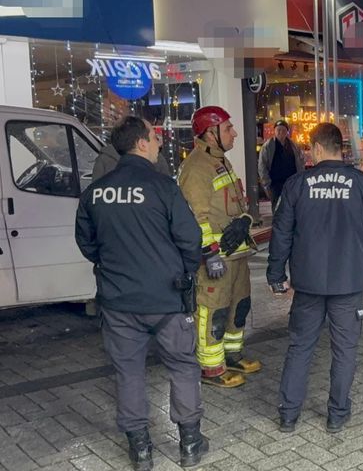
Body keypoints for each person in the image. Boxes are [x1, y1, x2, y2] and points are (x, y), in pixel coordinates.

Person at [74, 116, 209, 470]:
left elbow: (87, 245)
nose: (160, 142)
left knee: (128, 372)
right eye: (155, 136)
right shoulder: (163, 186)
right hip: (167, 298)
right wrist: (182, 269)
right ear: (141, 143)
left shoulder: (94, 192)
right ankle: (190, 444)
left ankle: (141, 451)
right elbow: (191, 240)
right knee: (182, 366)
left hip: (118, 302)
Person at [266, 122, 363, 434]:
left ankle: (288, 414)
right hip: (347, 284)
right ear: (341, 148)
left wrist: (275, 275)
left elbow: (281, 234)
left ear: (317, 148)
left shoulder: (297, 185)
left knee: (300, 347)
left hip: (307, 284)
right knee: (345, 350)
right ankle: (337, 415)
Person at [178, 106, 261, 388]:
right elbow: (194, 218)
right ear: (211, 134)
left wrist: (245, 219)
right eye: (228, 128)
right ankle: (210, 367)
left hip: (236, 255)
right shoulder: (196, 168)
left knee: (239, 305)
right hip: (216, 260)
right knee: (213, 311)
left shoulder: (220, 161)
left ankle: (232, 354)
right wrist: (209, 254)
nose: (234, 132)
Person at [93, 123, 171, 180]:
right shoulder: (157, 159)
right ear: (142, 142)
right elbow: (169, 194)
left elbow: (94, 194)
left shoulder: (104, 158)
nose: (158, 144)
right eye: (154, 138)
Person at [258, 119, 305, 210]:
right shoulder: (267, 147)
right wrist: (267, 184)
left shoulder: (294, 146)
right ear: (274, 131)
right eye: (278, 130)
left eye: (283, 130)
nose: (281, 132)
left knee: (293, 208)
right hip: (275, 185)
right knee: (278, 209)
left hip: (292, 183)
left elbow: (300, 163)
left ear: (287, 132)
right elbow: (262, 167)